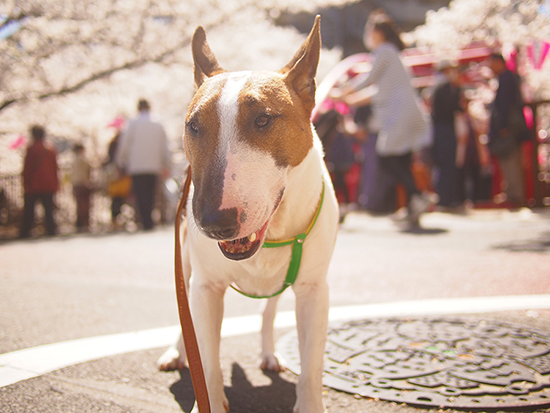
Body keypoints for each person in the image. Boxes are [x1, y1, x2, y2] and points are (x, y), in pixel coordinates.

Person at [334, 10, 431, 225]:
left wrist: (343, 91)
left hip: (398, 115)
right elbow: (378, 91)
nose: (367, 34)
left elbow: (368, 78)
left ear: (378, 32)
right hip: (404, 113)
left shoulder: (384, 52)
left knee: (386, 158)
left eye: (369, 30)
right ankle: (410, 207)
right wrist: (351, 99)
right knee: (402, 160)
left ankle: (418, 196)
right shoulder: (393, 53)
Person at [116, 99, 171, 230]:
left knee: (141, 194)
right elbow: (165, 145)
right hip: (154, 165)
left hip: (137, 165)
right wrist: (166, 163)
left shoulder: (132, 123)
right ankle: (150, 220)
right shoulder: (158, 123)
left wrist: (121, 160)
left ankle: (145, 220)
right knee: (151, 194)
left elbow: (125, 144)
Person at [487, 53, 529, 207]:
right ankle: (513, 193)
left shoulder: (506, 79)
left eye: (491, 63)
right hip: (513, 126)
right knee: (512, 160)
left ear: (499, 63)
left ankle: (514, 194)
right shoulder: (508, 78)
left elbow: (505, 105)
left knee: (510, 160)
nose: (490, 67)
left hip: (509, 128)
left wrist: (503, 126)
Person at [430, 59, 463, 211]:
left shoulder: (438, 86)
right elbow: (453, 107)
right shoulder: (443, 86)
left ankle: (447, 198)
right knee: (447, 163)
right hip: (444, 129)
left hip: (442, 129)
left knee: (446, 164)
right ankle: (445, 199)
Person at [19, 125, 59, 238]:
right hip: (48, 184)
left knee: (29, 210)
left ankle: (25, 231)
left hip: (34, 185)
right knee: (49, 210)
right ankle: (51, 230)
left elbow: (27, 168)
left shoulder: (31, 149)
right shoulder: (50, 150)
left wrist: (25, 183)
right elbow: (55, 168)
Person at [72, 143, 92, 232]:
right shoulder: (84, 158)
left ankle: (79, 223)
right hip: (84, 183)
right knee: (85, 205)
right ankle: (84, 223)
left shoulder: (74, 159)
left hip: (76, 183)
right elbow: (89, 169)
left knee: (79, 205)